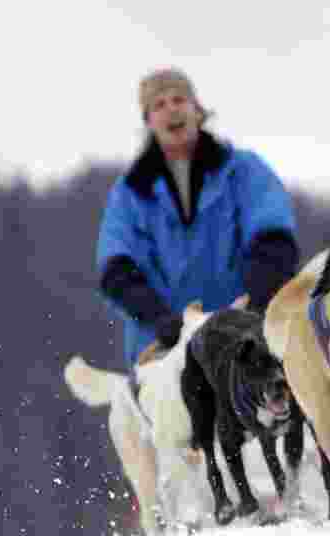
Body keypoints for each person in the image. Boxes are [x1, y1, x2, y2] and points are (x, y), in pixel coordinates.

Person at [96, 67, 299, 369]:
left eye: (179, 99)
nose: (171, 109)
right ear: (148, 121)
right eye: (159, 105)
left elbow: (273, 240)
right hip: (161, 352)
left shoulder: (245, 171)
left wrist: (255, 309)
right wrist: (160, 320)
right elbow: (116, 268)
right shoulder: (130, 193)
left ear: (197, 110)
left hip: (244, 342)